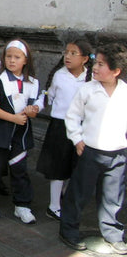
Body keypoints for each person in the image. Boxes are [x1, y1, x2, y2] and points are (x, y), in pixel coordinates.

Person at [59, 43, 127, 254]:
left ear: (116, 71)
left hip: (118, 152)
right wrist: (77, 139)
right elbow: (72, 116)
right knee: (79, 193)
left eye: (101, 64)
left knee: (112, 197)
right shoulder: (87, 90)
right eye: (95, 62)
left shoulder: (124, 91)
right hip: (90, 152)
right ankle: (68, 229)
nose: (95, 68)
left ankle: (113, 233)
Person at [0, 39, 40, 224]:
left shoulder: (33, 83)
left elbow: (35, 105)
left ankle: (22, 205)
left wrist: (33, 111)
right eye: (8, 56)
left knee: (20, 170)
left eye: (17, 57)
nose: (12, 60)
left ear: (25, 60)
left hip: (20, 136)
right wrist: (13, 118)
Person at [36, 39, 92, 221]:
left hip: (82, 127)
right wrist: (36, 107)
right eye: (66, 52)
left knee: (76, 165)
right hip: (60, 126)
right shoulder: (59, 75)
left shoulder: (90, 78)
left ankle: (65, 195)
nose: (67, 56)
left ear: (84, 59)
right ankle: (53, 206)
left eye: (73, 53)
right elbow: (48, 97)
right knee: (58, 166)